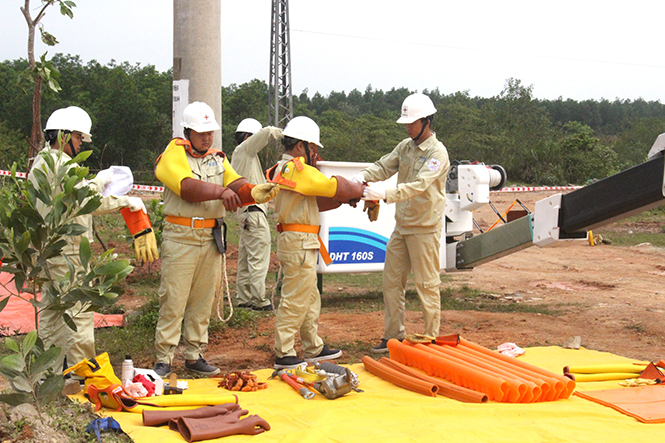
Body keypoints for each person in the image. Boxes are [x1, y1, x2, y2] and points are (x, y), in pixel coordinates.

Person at [153, 102, 279, 377]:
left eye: (210, 132)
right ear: (187, 131)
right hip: (181, 237)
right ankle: (164, 357)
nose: (207, 137)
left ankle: (194, 354)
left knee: (203, 300)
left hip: (210, 236)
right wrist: (221, 192)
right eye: (201, 132)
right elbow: (186, 187)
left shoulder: (216, 159)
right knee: (174, 299)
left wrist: (254, 192)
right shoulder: (173, 153)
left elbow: (235, 183)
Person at [28, 106, 155, 372]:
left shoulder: (41, 162)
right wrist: (121, 196)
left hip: (47, 250)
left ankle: (46, 373)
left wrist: (102, 182)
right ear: (62, 136)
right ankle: (83, 373)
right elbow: (87, 201)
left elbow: (74, 195)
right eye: (77, 138)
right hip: (68, 253)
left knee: (52, 314)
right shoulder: (60, 165)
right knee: (78, 312)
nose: (79, 144)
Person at [353, 93, 450, 353]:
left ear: (427, 121)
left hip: (424, 229)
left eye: (412, 122)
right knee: (391, 282)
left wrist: (384, 194)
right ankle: (393, 336)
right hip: (403, 227)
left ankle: (430, 338)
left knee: (426, 284)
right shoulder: (405, 146)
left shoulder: (437, 154)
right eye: (406, 123)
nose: (408, 127)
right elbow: (384, 167)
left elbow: (419, 186)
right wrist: (361, 178)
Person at [266, 116, 365, 369]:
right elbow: (331, 186)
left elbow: (319, 200)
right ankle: (284, 351)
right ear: (300, 146)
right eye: (313, 148)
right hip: (298, 241)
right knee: (296, 297)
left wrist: (346, 197)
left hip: (303, 240)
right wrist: (356, 190)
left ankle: (313, 346)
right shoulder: (294, 169)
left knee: (309, 297)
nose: (316, 154)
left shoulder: (292, 172)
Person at [230, 118, 282, 311]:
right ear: (246, 137)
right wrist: (279, 133)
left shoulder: (244, 157)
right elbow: (266, 133)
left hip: (246, 213)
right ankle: (259, 300)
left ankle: (244, 298)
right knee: (258, 257)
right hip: (253, 212)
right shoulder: (244, 150)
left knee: (246, 258)